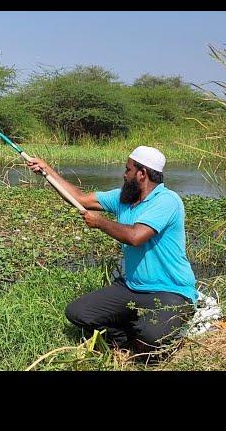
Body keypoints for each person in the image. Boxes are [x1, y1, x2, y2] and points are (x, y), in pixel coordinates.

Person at [27, 146, 197, 354]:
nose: (124, 175)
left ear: (142, 174)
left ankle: (159, 328)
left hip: (171, 291)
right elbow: (80, 199)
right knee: (78, 312)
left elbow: (136, 237)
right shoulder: (123, 198)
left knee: (151, 343)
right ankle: (124, 338)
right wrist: (48, 171)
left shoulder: (168, 201)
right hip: (132, 287)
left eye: (128, 170)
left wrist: (100, 223)